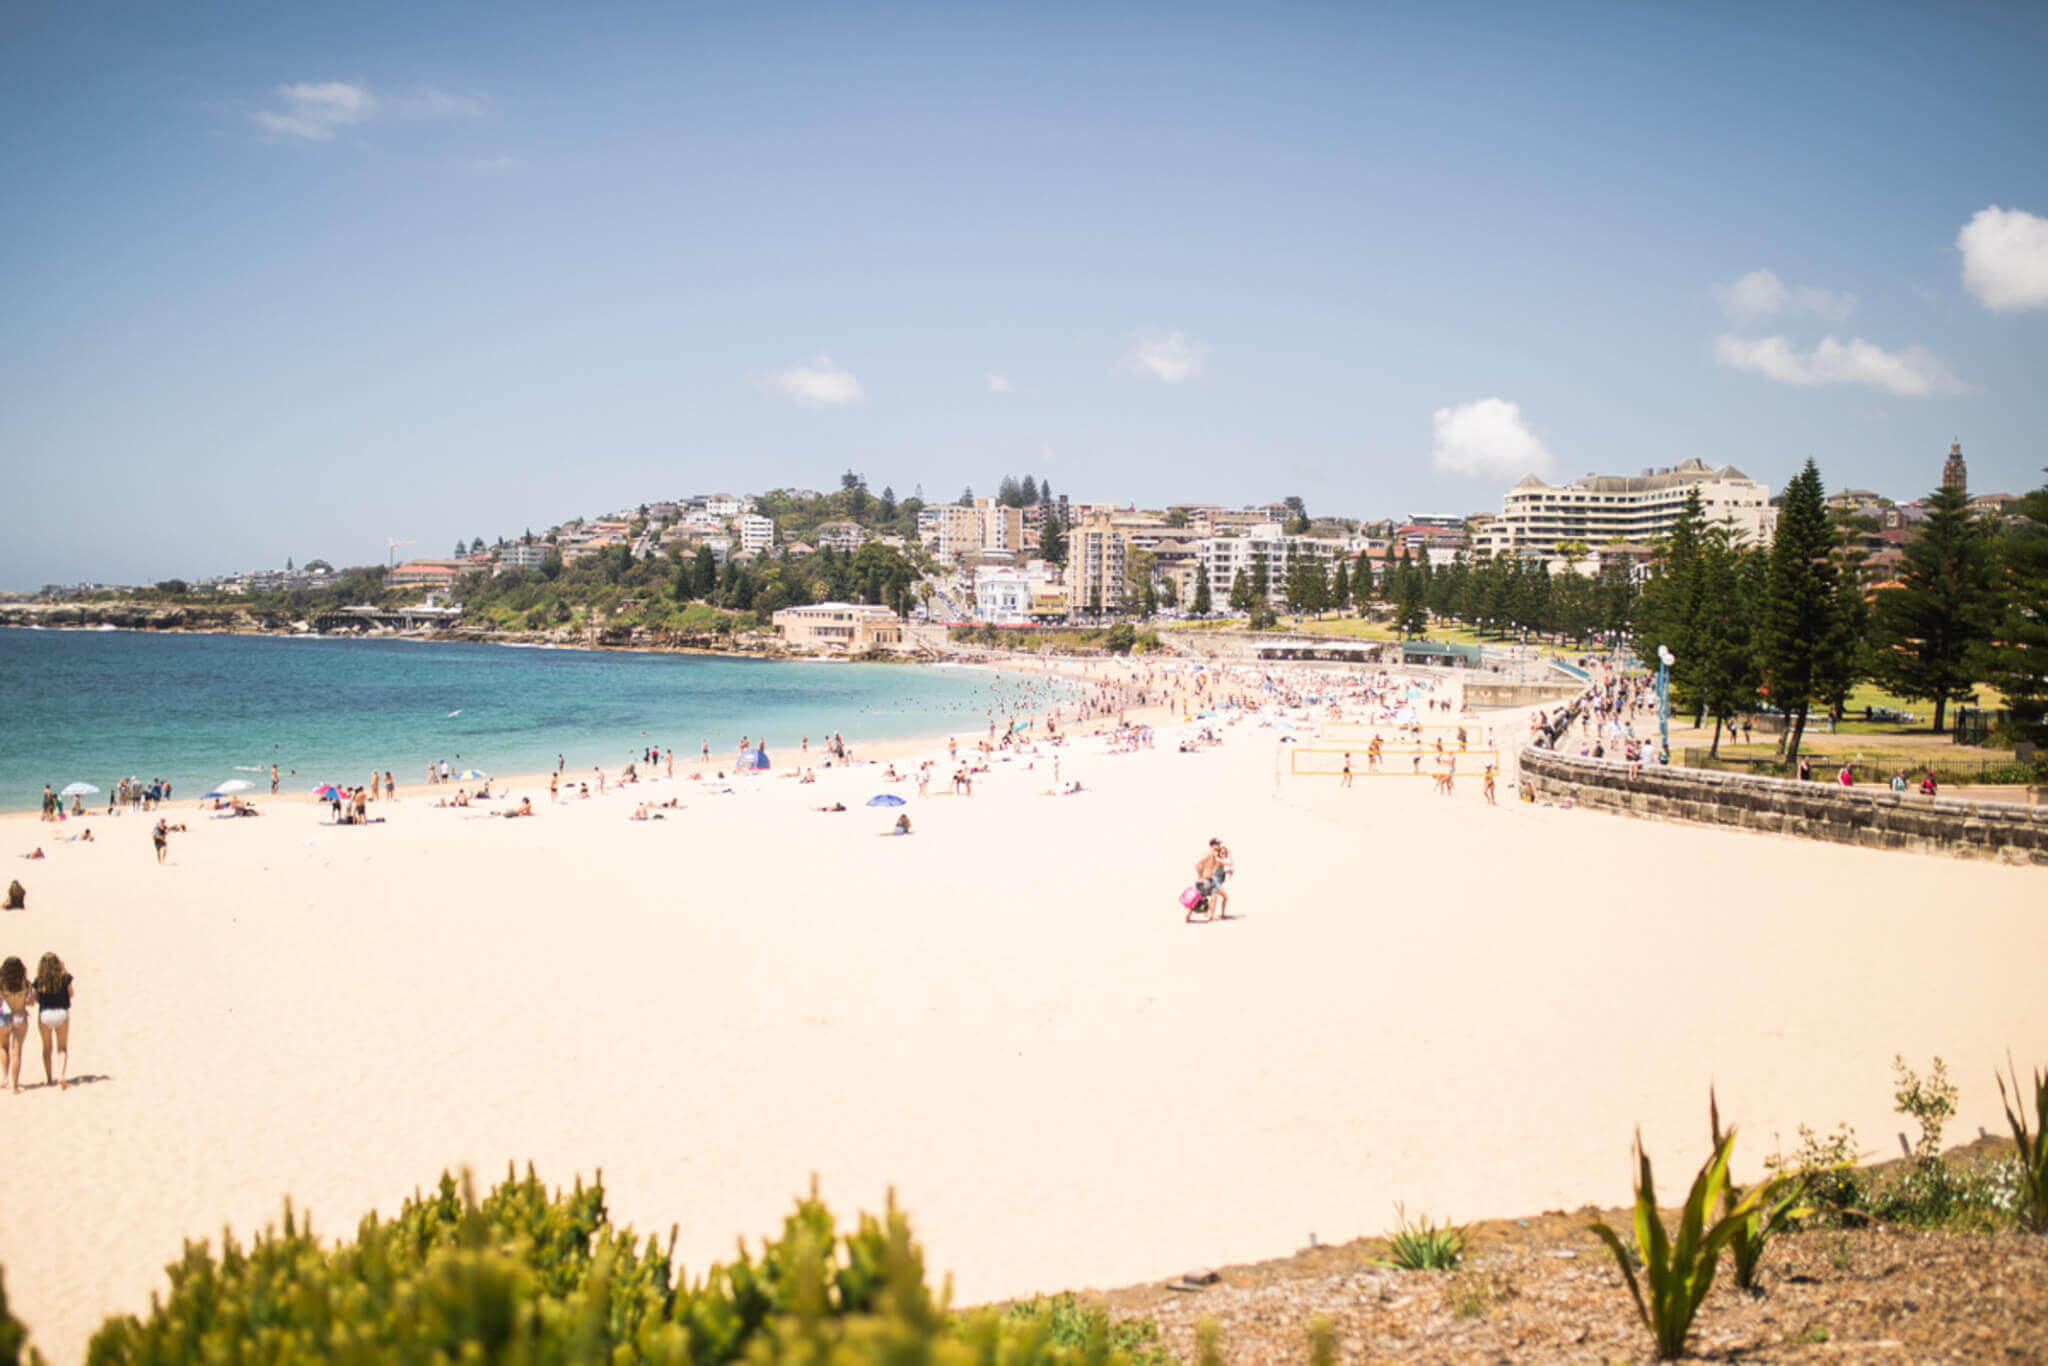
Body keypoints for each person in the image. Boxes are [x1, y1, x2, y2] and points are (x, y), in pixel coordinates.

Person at [33, 953, 72, 1090]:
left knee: (47, 1048)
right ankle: (61, 1075)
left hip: (45, 1014)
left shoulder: (39, 981)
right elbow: (71, 994)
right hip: (61, 1013)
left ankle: (49, 1078)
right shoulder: (65, 978)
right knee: (62, 1047)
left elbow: (36, 999)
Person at [0, 957, 30, 1093]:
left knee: (3, 1047)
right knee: (16, 1052)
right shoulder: (25, 984)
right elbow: (30, 1001)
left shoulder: (2, 984)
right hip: (20, 1017)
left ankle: (5, 1077)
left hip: (4, 1018)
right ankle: (15, 1086)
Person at [1192, 838, 1232, 920]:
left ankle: (1210, 915)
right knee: (1211, 897)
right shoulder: (1210, 854)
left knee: (1212, 897)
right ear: (1213, 845)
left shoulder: (1213, 855)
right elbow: (1198, 864)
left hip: (1210, 880)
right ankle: (1208, 914)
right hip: (1211, 880)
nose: (1219, 846)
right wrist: (1200, 877)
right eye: (1218, 844)